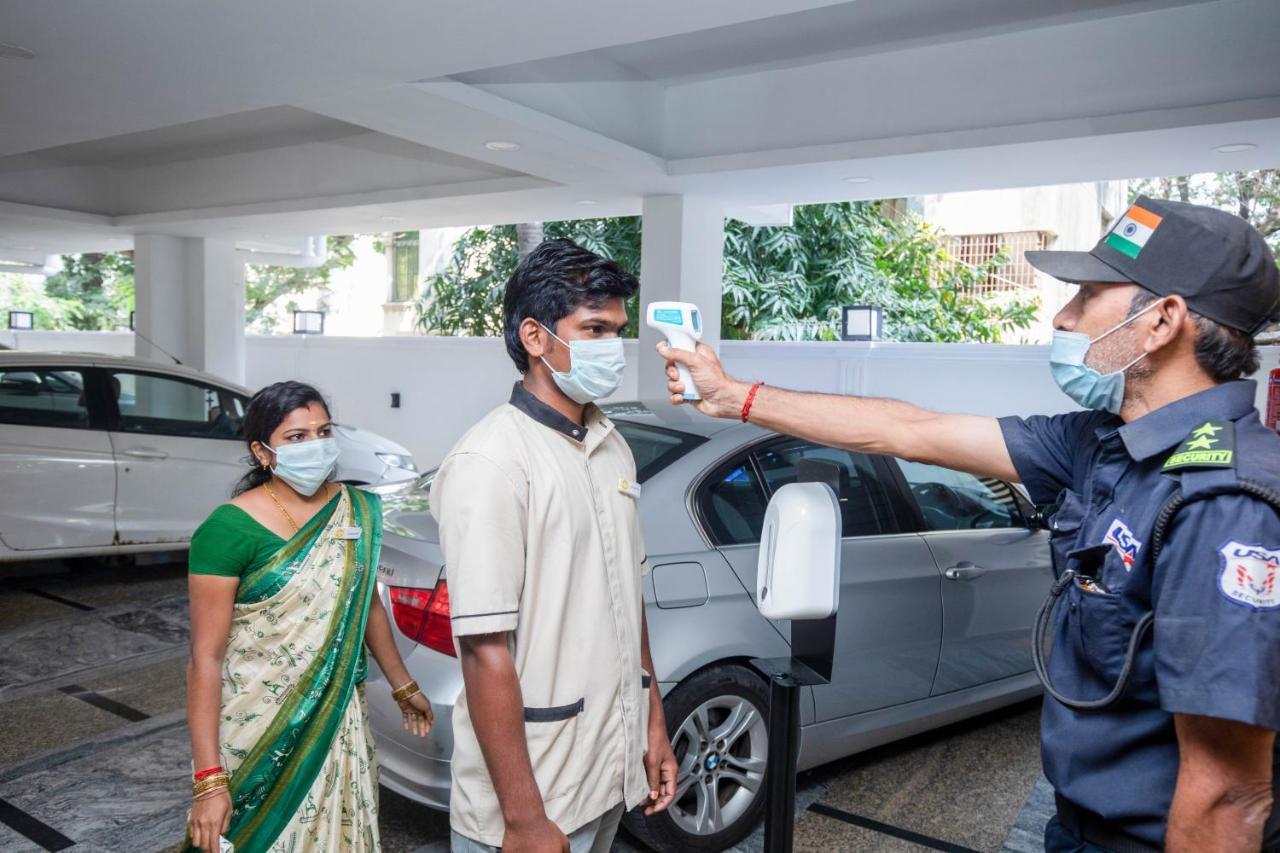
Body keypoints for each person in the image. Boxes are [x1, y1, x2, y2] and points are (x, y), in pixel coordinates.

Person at [659, 197, 1280, 852]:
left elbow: (1227, 795)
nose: (1061, 316)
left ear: (1161, 321)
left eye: (1088, 293)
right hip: (1078, 827)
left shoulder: (1224, 501)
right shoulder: (1103, 442)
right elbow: (907, 429)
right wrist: (734, 397)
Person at [431, 239, 678, 853]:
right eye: (594, 328)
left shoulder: (611, 443)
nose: (612, 347)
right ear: (536, 337)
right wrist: (522, 820)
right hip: (532, 795)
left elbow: (629, 597)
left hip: (605, 770)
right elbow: (484, 649)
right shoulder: (490, 461)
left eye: (618, 330)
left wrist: (654, 723)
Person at [184, 380, 434, 852]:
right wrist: (209, 781)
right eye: (297, 437)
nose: (316, 446)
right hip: (257, 723)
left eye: (323, 432)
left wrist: (404, 685)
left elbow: (366, 604)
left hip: (337, 717)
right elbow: (205, 658)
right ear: (263, 452)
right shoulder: (226, 530)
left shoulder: (355, 507)